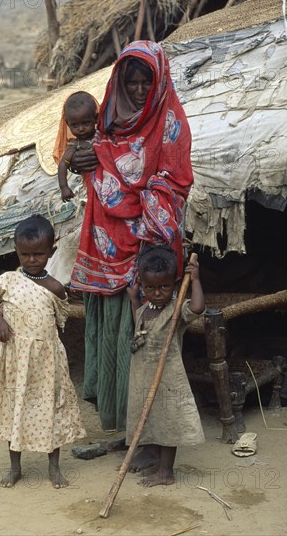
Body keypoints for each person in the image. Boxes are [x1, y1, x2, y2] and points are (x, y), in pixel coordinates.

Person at [69, 40, 193, 469]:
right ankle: (125, 427)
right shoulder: (104, 121)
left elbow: (174, 183)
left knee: (148, 346)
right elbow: (87, 158)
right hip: (108, 246)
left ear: (159, 81)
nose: (140, 90)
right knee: (120, 337)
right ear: (119, 83)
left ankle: (150, 437)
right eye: (132, 82)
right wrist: (90, 161)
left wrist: (114, 173)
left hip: (148, 254)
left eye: (147, 81)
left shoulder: (171, 121)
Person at [0, 215, 86, 488]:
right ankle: (15, 467)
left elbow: (58, 324)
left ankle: (54, 468)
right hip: (15, 358)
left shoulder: (56, 288)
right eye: (25, 254)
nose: (31, 260)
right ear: (16, 251)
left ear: (51, 252)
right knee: (14, 408)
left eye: (38, 254)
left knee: (51, 409)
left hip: (46, 361)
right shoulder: (8, 280)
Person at [126, 245, 205, 487]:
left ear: (174, 283)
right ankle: (152, 457)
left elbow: (198, 308)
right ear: (142, 284)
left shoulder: (175, 310)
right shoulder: (143, 310)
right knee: (151, 419)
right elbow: (139, 327)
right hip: (144, 378)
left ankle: (166, 472)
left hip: (167, 380)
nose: (157, 293)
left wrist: (196, 280)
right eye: (150, 287)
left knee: (168, 423)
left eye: (164, 287)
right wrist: (133, 299)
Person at [53, 91, 98, 202]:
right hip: (94, 187)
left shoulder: (103, 135)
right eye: (75, 125)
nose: (81, 129)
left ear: (96, 119)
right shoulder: (74, 145)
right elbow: (63, 164)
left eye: (86, 123)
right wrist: (64, 187)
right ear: (68, 124)